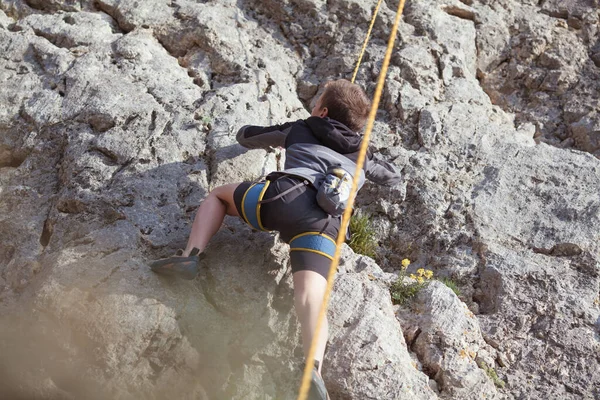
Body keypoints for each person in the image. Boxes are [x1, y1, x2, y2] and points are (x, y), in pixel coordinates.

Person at [150, 79, 401, 399]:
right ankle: (313, 370)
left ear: (323, 110)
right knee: (312, 299)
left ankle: (191, 254)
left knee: (217, 196)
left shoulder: (303, 127)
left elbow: (247, 136)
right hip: (325, 224)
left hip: (282, 200)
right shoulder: (363, 154)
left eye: (316, 103)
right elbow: (393, 177)